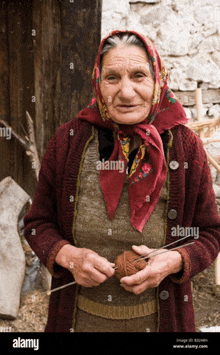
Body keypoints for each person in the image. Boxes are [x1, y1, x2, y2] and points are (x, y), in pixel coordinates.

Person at [24, 29, 220, 332]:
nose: (126, 92)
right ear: (98, 83)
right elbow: (37, 223)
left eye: (139, 75)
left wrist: (175, 260)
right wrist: (68, 256)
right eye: (112, 77)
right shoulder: (69, 140)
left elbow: (209, 232)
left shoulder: (185, 145)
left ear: (157, 80)